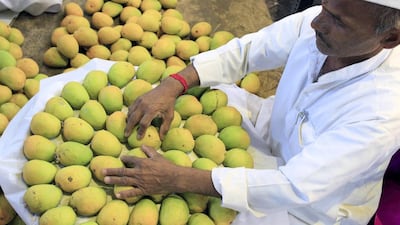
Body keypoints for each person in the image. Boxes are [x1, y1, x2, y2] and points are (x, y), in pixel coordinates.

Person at [103, 0, 400, 224]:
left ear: (389, 38)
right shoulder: (323, 24)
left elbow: (294, 185)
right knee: (209, 92)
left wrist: (178, 178)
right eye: (323, 6)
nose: (317, 23)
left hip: (311, 207)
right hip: (273, 132)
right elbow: (250, 50)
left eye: (338, 21)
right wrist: (175, 83)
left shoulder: (383, 110)